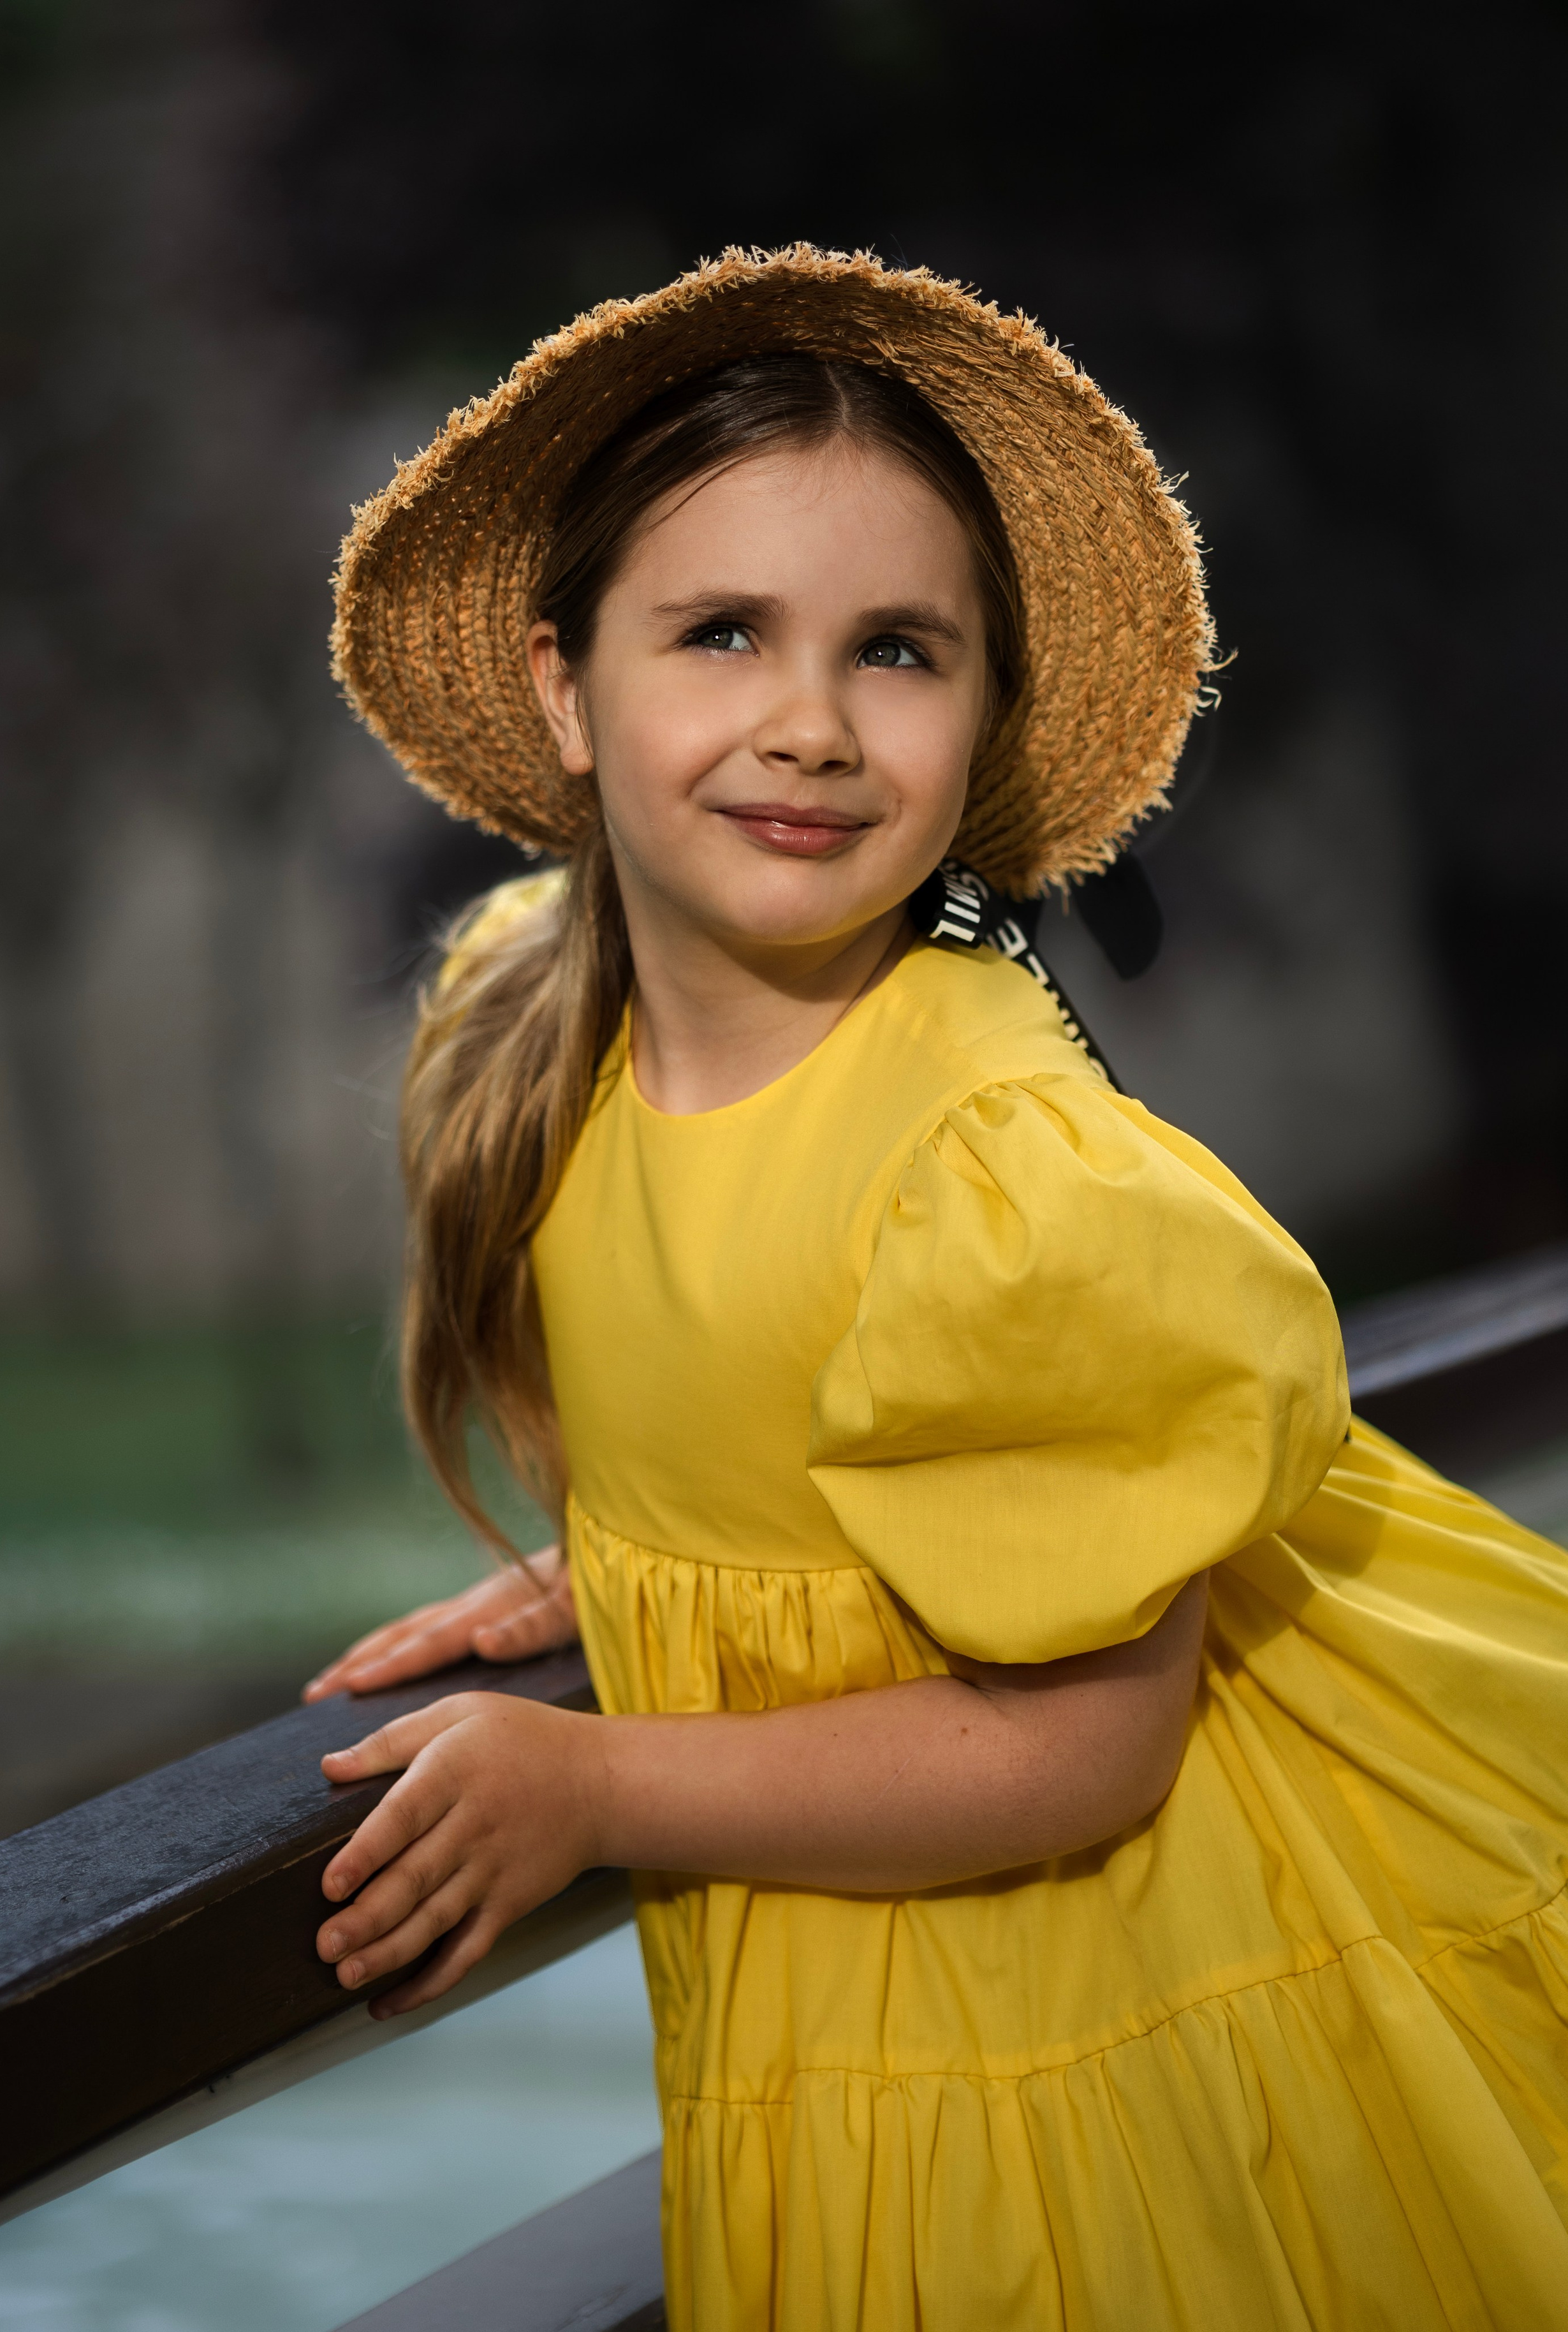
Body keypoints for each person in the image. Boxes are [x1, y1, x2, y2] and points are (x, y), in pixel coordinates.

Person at [303, 250, 1568, 2328]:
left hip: (1107, 2014)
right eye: (721, 631)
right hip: (850, 2009)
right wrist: (631, 1567)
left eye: (895, 650)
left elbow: (1081, 1747)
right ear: (566, 685)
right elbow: (770, 1414)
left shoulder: (1000, 1167)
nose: (808, 724)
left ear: (980, 719)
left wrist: (595, 1780)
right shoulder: (538, 1029)